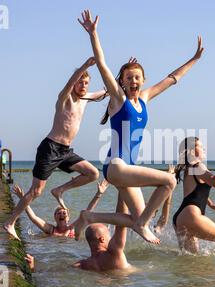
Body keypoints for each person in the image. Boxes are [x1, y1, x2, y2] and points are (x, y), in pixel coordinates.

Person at [75, 10, 204, 244]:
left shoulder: (144, 98)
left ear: (143, 80)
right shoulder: (118, 100)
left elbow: (172, 79)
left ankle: (89, 216)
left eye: (137, 78)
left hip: (128, 168)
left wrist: (194, 60)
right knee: (170, 181)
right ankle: (141, 224)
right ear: (121, 82)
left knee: (140, 214)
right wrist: (93, 34)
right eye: (128, 78)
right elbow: (102, 65)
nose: (133, 81)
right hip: (116, 166)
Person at [4, 57, 107, 241]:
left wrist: (121, 80)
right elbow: (69, 83)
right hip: (50, 148)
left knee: (93, 174)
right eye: (80, 82)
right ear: (74, 83)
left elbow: (105, 92)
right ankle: (10, 222)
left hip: (66, 151)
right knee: (36, 191)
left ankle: (59, 190)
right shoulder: (64, 98)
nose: (83, 85)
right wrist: (84, 66)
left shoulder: (86, 99)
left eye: (86, 82)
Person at [173, 137, 215, 256]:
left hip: (180, 217)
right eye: (201, 146)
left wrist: (210, 204)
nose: (204, 149)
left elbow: (194, 191)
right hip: (191, 216)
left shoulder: (189, 168)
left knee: (192, 262)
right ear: (191, 151)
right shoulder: (198, 166)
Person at [11, 179, 109, 239]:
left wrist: (99, 194)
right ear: (55, 217)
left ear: (68, 218)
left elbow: (88, 211)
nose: (62, 214)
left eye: (64, 213)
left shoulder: (73, 228)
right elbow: (34, 218)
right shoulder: (50, 229)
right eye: (59, 213)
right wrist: (23, 199)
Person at [153, 165, 174, 234]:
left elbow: (167, 202)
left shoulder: (159, 225)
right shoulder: (161, 224)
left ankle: (166, 179)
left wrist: (169, 177)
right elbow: (167, 203)